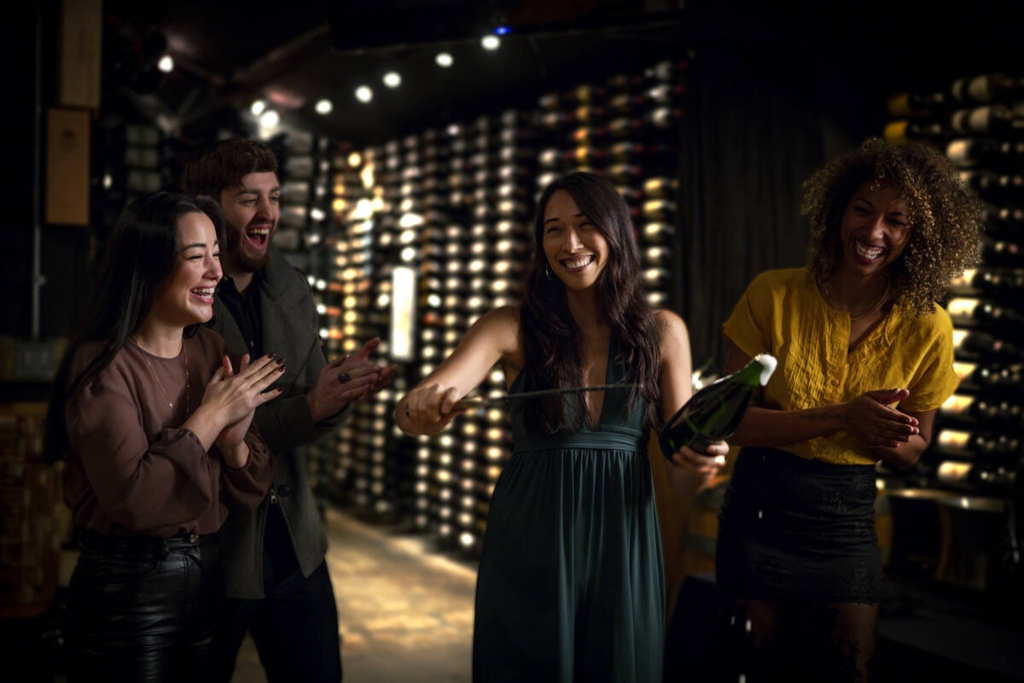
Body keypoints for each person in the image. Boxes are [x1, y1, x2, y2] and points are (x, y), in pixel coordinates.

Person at [394, 171, 728, 682]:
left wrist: (702, 463)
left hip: (625, 540)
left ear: (615, 232)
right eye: (554, 229)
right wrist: (419, 409)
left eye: (585, 225)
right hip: (532, 538)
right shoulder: (509, 326)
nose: (570, 244)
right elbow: (428, 400)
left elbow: (683, 477)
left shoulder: (664, 332)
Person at [713, 137, 983, 682]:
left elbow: (916, 448)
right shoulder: (772, 295)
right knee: (751, 668)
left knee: (848, 671)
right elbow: (731, 421)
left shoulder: (930, 327)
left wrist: (889, 433)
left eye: (897, 221)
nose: (874, 232)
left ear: (918, 235)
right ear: (839, 209)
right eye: (863, 209)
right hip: (759, 513)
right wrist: (843, 416)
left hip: (847, 524)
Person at [181, 138, 396, 683]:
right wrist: (310, 406)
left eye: (273, 197)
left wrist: (337, 393)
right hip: (213, 552)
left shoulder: (294, 289)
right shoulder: (182, 299)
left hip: (297, 542)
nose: (267, 213)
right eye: (248, 199)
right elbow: (204, 432)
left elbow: (309, 408)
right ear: (208, 208)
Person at [44, 192, 281, 682]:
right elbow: (136, 498)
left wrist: (235, 441)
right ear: (148, 267)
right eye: (197, 256)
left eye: (217, 252)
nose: (216, 271)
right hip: (127, 594)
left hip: (209, 582)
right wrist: (211, 418)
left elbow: (253, 488)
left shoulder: (212, 349)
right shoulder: (103, 365)